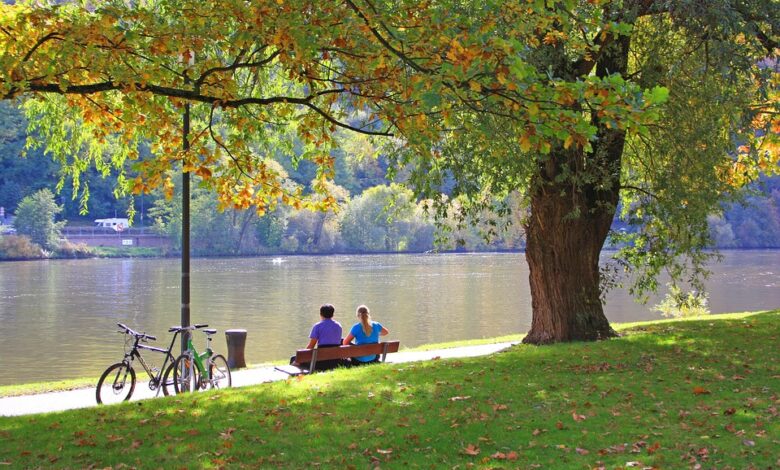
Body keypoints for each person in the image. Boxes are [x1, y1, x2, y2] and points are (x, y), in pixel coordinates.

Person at [291, 303, 344, 371]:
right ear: (333, 314)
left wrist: (299, 359)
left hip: (321, 362)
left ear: (320, 314)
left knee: (294, 358)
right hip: (335, 361)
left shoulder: (318, 326)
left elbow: (311, 346)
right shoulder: (338, 326)